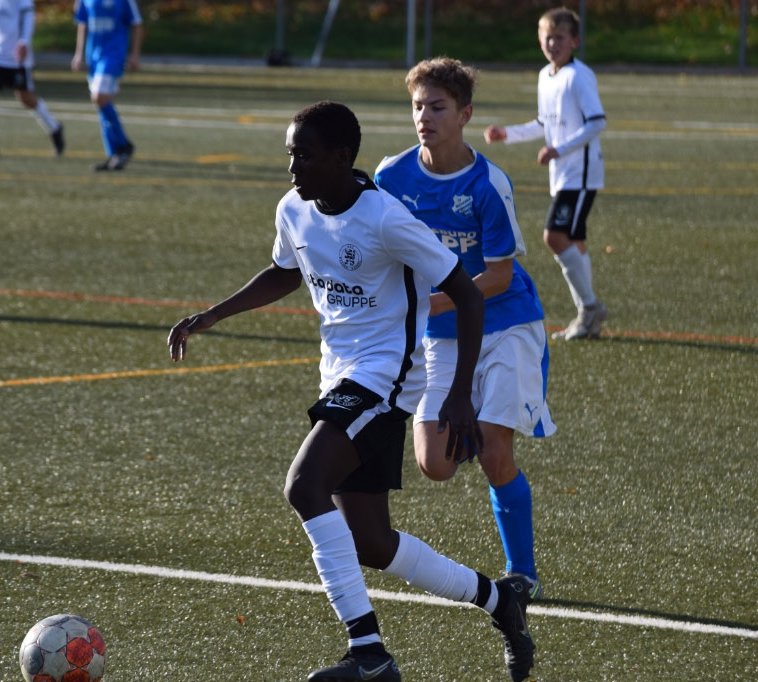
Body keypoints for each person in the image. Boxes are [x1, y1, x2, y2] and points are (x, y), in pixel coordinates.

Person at [168, 101, 535, 682]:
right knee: (371, 541)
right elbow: (286, 269)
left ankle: (368, 653)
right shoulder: (293, 208)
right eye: (291, 155)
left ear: (342, 157)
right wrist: (215, 313)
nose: (294, 168)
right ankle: (499, 601)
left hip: (388, 377)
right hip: (340, 375)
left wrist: (459, 394)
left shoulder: (386, 218)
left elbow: (467, 293)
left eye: (306, 156)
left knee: (303, 484)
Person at [375, 57, 556, 604]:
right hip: (442, 335)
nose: (424, 117)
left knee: (497, 452)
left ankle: (522, 573)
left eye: (437, 107)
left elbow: (498, 276)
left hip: (506, 325)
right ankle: (473, 423)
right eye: (417, 107)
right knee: (435, 464)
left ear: (465, 114)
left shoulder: (487, 184)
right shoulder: (391, 177)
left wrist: (423, 303)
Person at [484, 7, 608, 340]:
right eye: (547, 37)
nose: (553, 44)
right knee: (574, 240)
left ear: (575, 41)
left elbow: (597, 122)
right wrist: (507, 133)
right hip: (563, 173)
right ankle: (588, 316)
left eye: (560, 37)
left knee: (554, 236)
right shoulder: (545, 76)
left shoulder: (578, 76)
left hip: (580, 173)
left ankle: (589, 307)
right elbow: (544, 123)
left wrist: (559, 149)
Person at [0, 0, 65, 158]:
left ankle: (54, 127)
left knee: (25, 97)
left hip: (16, 54)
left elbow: (28, 14)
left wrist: (24, 42)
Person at [72, 0, 143, 171]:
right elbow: (83, 23)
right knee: (101, 103)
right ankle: (114, 154)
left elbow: (137, 24)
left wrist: (135, 54)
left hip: (113, 55)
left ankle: (124, 145)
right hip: (93, 56)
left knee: (99, 97)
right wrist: (79, 53)